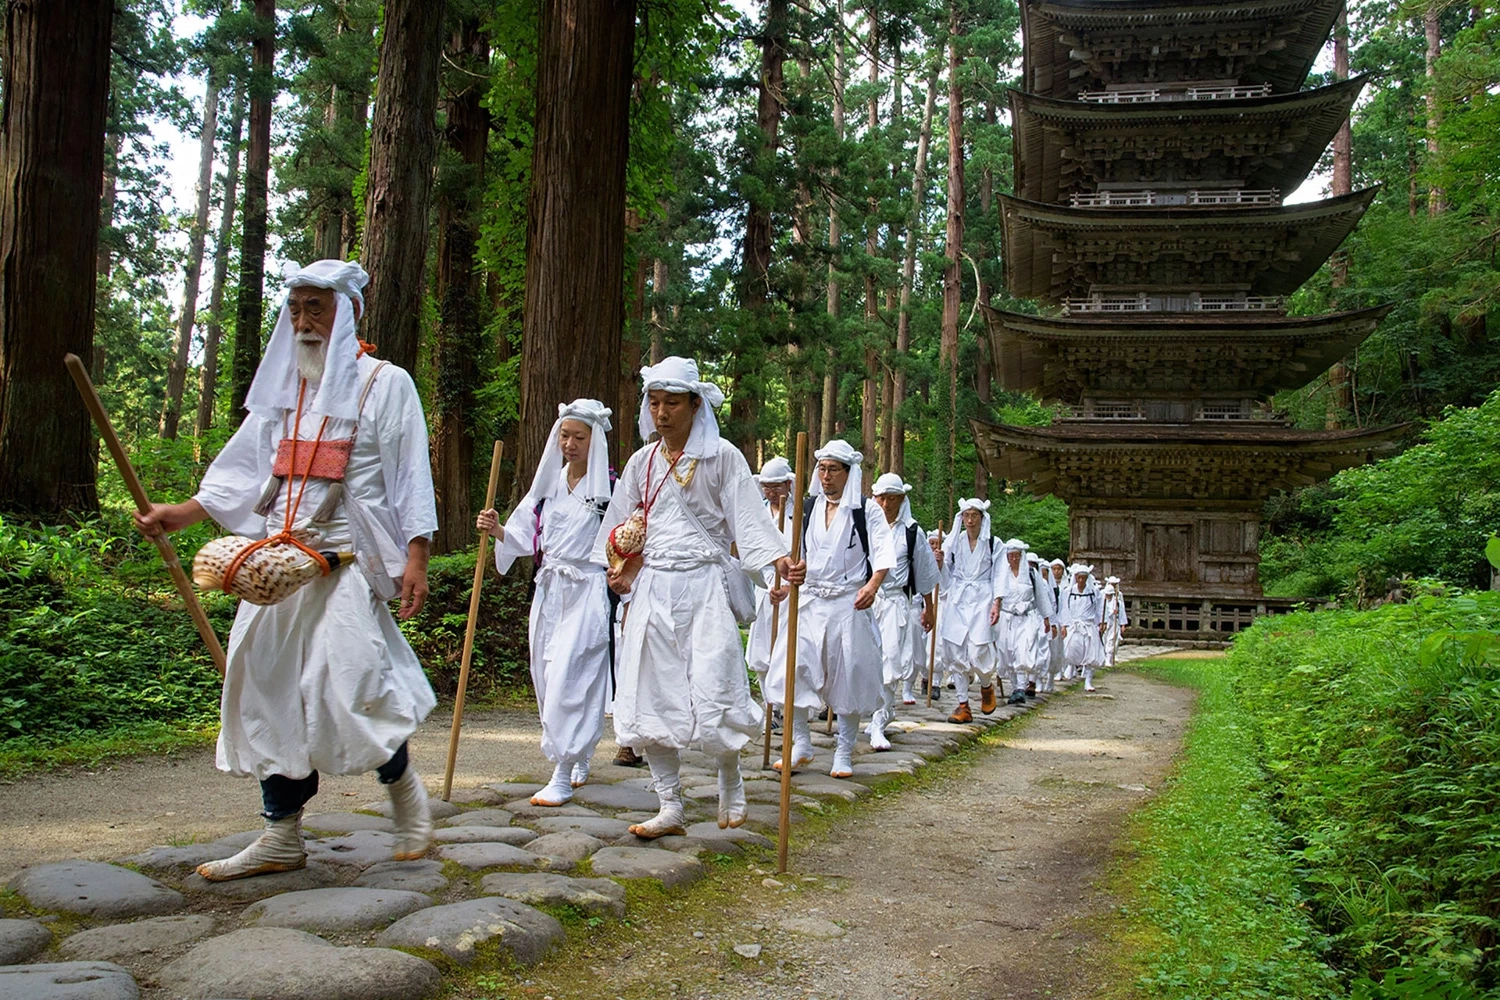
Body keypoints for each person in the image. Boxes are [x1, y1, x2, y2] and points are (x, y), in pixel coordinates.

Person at [134, 260, 437, 881]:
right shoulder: (284, 393)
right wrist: (183, 513)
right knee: (266, 687)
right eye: (296, 308)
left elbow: (410, 474)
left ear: (345, 313)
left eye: (316, 308)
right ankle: (280, 835)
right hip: (277, 562)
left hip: (347, 561)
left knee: (350, 681)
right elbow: (244, 470)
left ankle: (403, 790)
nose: (304, 321)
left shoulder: (386, 384)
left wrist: (417, 555)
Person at [594, 358, 804, 837]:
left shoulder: (724, 457)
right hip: (652, 590)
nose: (662, 412)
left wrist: (777, 561)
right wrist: (619, 564)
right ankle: (670, 804)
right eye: (654, 402)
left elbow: (749, 521)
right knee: (650, 688)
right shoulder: (640, 463)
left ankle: (730, 778)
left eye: (671, 403)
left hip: (704, 585)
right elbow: (619, 528)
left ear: (695, 405)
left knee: (715, 682)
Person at [476, 400, 614, 807]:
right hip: (551, 589)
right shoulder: (548, 486)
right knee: (547, 674)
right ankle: (578, 752)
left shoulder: (610, 490)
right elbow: (522, 535)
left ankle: (561, 770)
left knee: (573, 676)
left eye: (579, 437)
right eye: (564, 436)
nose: (570, 444)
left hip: (587, 591)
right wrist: (496, 528)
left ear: (595, 440)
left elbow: (624, 542)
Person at [764, 441, 895, 778]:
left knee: (849, 676)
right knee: (790, 668)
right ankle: (801, 743)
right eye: (822, 469)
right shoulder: (807, 508)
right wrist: (788, 576)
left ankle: (843, 751)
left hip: (847, 603)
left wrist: (872, 585)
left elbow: (882, 551)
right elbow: (796, 553)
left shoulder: (866, 511)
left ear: (849, 473)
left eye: (833, 469)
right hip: (809, 601)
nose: (825, 476)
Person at [868, 474, 939, 749]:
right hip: (866, 602)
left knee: (889, 662)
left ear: (901, 499)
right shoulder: (864, 526)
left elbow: (923, 573)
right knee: (863, 660)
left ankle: (878, 722)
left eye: (892, 498)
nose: (886, 504)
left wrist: (929, 609)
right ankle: (870, 713)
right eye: (881, 498)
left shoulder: (912, 532)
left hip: (896, 602)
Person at [934, 499, 1001, 724]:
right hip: (958, 598)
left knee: (978, 650)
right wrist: (940, 563)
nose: (970, 520)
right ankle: (963, 705)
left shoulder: (993, 543)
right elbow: (946, 577)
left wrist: (996, 602)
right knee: (955, 650)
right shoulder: (955, 543)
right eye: (966, 515)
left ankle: (985, 685)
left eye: (974, 515)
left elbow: (999, 575)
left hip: (982, 598)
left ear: (982, 518)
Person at [746, 456, 795, 700]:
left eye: (776, 486)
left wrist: (787, 586)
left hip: (794, 594)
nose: (771, 492)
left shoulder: (801, 515)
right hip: (764, 592)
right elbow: (752, 554)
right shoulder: (758, 517)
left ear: (787, 485)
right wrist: (767, 583)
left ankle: (789, 706)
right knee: (761, 652)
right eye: (766, 486)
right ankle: (769, 704)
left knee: (788, 652)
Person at [994, 539, 1052, 704]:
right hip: (1007, 619)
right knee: (1007, 652)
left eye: (1017, 555)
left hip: (1027, 618)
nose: (1014, 558)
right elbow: (995, 596)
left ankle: (1020, 688)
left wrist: (1047, 619)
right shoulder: (1000, 574)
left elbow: (1041, 596)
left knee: (1023, 650)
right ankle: (1014, 687)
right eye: (1011, 555)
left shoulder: (1032, 575)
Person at [1059, 563, 1106, 692]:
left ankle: (1088, 681)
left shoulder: (1093, 592)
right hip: (1074, 625)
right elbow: (1064, 609)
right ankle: (1071, 666)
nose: (1081, 580)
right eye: (1079, 578)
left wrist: (1102, 622)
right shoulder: (1068, 592)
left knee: (1091, 653)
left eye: (1084, 578)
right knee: (1071, 648)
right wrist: (1064, 625)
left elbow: (1100, 608)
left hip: (1089, 625)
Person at [1046, 558, 1067, 685]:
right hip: (1050, 620)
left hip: (1061, 619)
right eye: (1054, 569)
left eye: (1059, 569)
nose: (1056, 571)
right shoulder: (1047, 586)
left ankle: (1059, 670)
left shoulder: (1066, 585)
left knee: (1060, 647)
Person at [1102, 576, 1129, 667]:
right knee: (1104, 640)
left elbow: (1122, 612)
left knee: (1111, 640)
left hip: (1114, 622)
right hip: (1105, 622)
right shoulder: (1103, 599)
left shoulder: (1117, 601)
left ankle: (1109, 657)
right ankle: (1104, 657)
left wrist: (1122, 624)